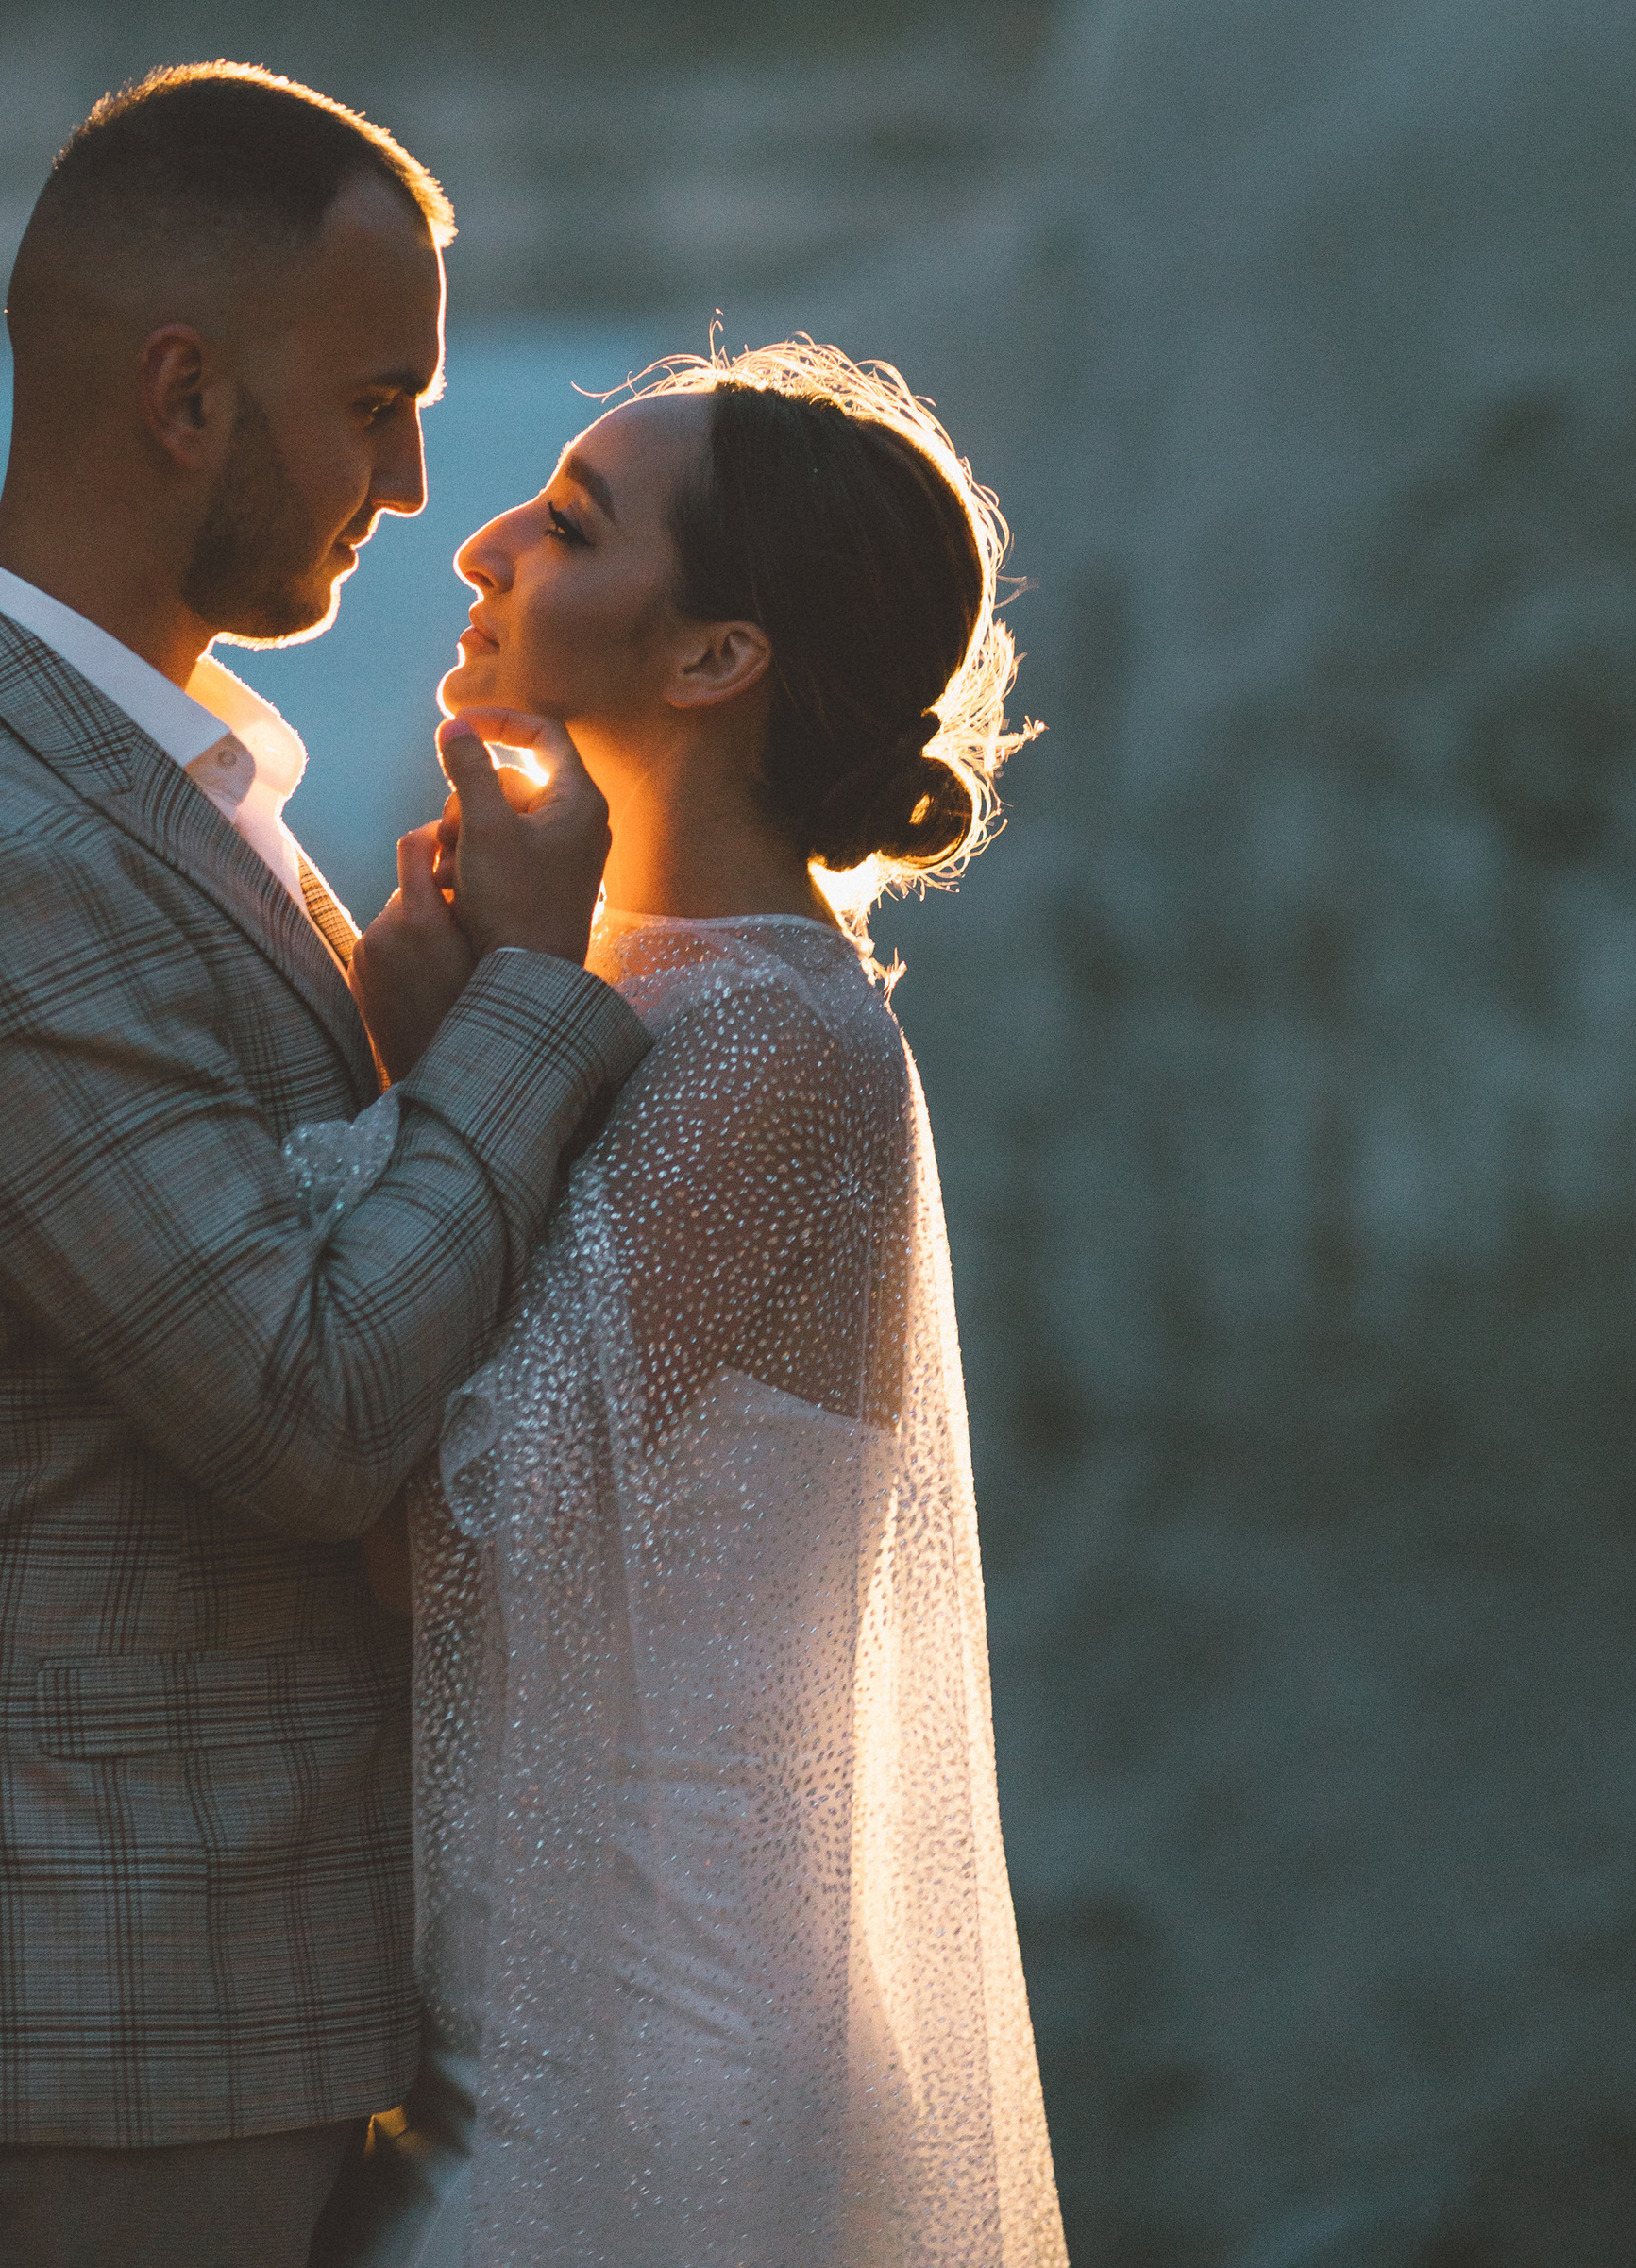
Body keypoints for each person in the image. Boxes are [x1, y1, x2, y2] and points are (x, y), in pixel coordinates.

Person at [0, 64, 652, 2268]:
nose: (415, 481)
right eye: (371, 402)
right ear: (181, 397)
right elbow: (301, 1405)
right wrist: (529, 1002)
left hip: (174, 1998)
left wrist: (407, 1029)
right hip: (63, 2021)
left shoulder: (142, 781)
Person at [312, 339, 1070, 2268]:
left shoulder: (766, 1043)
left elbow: (449, 1535)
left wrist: (436, 1070)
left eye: (567, 525)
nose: (478, 541)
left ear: (711, 658)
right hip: (545, 2020)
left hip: (656, 2070)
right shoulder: (637, 981)